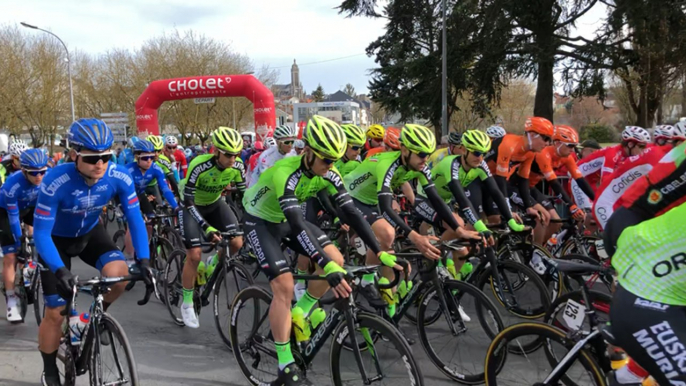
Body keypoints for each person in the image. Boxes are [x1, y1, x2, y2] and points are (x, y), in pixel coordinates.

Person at [243, 115, 399, 385]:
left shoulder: (329, 171)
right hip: (260, 220)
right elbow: (296, 224)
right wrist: (324, 266)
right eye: (327, 160)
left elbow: (351, 212)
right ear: (308, 152)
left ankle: (300, 312)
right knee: (284, 284)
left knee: (337, 259)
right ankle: (284, 362)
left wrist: (379, 250)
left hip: (284, 220)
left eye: (335, 160)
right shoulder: (285, 173)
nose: (331, 166)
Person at [34, 118, 151, 386]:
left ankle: (95, 317)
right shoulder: (55, 180)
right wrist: (59, 270)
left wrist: (144, 260)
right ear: (74, 154)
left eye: (106, 156)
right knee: (55, 312)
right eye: (92, 158)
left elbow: (135, 218)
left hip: (89, 235)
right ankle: (50, 370)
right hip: (55, 242)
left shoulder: (118, 176)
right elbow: (40, 233)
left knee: (119, 276)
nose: (100, 163)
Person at [344, 123, 481, 307]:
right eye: (422, 154)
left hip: (371, 200)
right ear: (404, 150)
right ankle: (366, 280)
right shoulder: (387, 164)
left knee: (387, 239)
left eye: (428, 153)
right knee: (388, 233)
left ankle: (373, 279)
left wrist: (459, 229)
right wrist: (415, 237)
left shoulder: (419, 167)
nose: (425, 159)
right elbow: (385, 207)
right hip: (351, 197)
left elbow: (437, 200)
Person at [178, 127, 246, 328]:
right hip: (192, 206)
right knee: (194, 255)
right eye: (228, 154)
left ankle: (214, 262)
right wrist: (206, 227)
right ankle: (187, 303)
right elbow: (188, 201)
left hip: (215, 204)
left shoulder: (238, 167)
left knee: (236, 242)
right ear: (216, 151)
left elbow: (244, 196)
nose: (233, 159)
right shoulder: (199, 165)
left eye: (237, 154)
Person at [525, 125, 593, 244]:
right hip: (518, 187)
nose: (572, 150)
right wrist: (571, 206)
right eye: (570, 146)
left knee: (557, 222)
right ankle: (533, 252)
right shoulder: (544, 153)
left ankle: (539, 250)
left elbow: (580, 180)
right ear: (557, 143)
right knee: (544, 217)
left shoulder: (567, 157)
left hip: (531, 187)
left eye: (574, 146)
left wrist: (596, 199)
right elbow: (554, 183)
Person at [1, 149, 48, 322]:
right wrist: (19, 239)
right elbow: (13, 217)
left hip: (29, 208)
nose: (39, 176)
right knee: (11, 255)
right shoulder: (12, 186)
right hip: (6, 213)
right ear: (23, 171)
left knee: (42, 233)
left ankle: (28, 265)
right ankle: (11, 299)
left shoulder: (47, 178)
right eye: (33, 173)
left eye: (42, 172)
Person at [484, 117, 554, 225]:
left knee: (509, 223)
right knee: (495, 221)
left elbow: (523, 180)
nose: (548, 143)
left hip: (496, 183)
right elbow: (500, 178)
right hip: (481, 181)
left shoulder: (530, 152)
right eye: (546, 138)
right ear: (531, 134)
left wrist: (528, 207)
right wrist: (507, 207)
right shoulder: (508, 144)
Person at [571, 126, 651, 212]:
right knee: (590, 212)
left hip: (591, 182)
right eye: (641, 147)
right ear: (630, 144)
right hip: (577, 180)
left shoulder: (627, 156)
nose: (643, 150)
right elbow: (605, 181)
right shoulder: (612, 154)